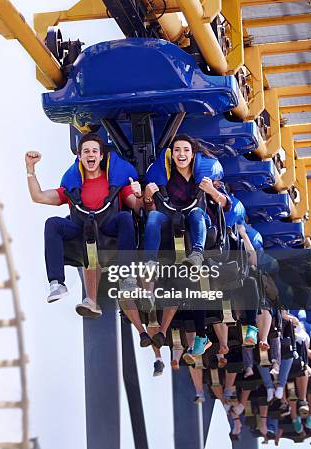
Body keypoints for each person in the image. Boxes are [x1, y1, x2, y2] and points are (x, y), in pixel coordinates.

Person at [25, 134, 143, 311]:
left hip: (108, 232)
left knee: (125, 218)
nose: (90, 154)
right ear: (80, 157)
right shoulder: (73, 186)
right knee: (52, 223)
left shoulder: (116, 181)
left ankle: (127, 278)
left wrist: (139, 194)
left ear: (101, 156)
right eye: (86, 151)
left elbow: (136, 206)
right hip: (82, 233)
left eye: (94, 151)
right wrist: (30, 169)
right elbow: (38, 196)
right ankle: (57, 283)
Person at [141, 134, 231, 351]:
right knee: (153, 218)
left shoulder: (205, 177)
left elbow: (226, 204)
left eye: (186, 150)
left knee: (198, 213)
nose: (181, 154)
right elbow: (148, 209)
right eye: (178, 150)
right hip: (169, 221)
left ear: (193, 155)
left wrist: (211, 191)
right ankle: (150, 263)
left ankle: (197, 255)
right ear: (172, 155)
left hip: (196, 225)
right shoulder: (166, 176)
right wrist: (147, 196)